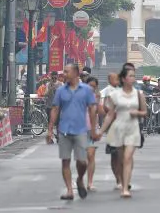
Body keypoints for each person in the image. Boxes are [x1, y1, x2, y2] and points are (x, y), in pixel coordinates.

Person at [47, 63, 99, 201]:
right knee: (65, 161)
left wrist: (93, 130)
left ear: (76, 73)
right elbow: (55, 109)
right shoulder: (60, 90)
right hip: (64, 130)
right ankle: (69, 190)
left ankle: (80, 178)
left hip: (81, 130)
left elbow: (92, 109)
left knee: (82, 162)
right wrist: (50, 130)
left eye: (67, 71)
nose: (64, 74)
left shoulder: (86, 90)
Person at [101, 66, 147, 198]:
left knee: (127, 158)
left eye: (134, 76)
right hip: (118, 129)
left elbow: (145, 112)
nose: (133, 78)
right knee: (121, 159)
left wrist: (137, 112)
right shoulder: (115, 95)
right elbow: (110, 115)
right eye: (130, 76)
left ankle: (126, 188)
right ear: (123, 79)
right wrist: (101, 131)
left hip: (133, 129)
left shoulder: (139, 94)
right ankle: (121, 182)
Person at [85, 76, 102, 191]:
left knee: (91, 155)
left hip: (91, 129)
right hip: (79, 129)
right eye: (90, 86)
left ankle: (90, 182)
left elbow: (100, 112)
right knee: (82, 158)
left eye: (94, 87)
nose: (91, 88)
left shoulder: (96, 97)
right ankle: (80, 179)